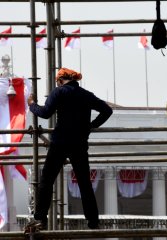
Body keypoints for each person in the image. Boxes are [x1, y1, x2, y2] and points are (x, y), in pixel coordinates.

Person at [26, 67, 113, 230]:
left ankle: (40, 218)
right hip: (79, 143)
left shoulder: (58, 92)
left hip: (60, 143)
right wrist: (91, 125)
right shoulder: (86, 95)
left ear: (59, 80)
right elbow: (107, 110)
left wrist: (31, 104)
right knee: (84, 183)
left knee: (47, 180)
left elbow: (45, 113)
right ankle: (93, 220)